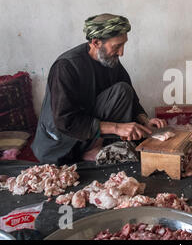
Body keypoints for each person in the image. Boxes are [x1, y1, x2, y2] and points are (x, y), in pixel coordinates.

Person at [32, 14, 166, 164]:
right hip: (61, 141)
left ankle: (94, 147)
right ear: (96, 42)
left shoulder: (110, 60)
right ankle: (88, 151)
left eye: (123, 45)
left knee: (123, 90)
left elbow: (131, 97)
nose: (121, 52)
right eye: (116, 46)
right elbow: (66, 122)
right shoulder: (65, 67)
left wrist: (145, 120)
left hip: (89, 130)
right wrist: (117, 128)